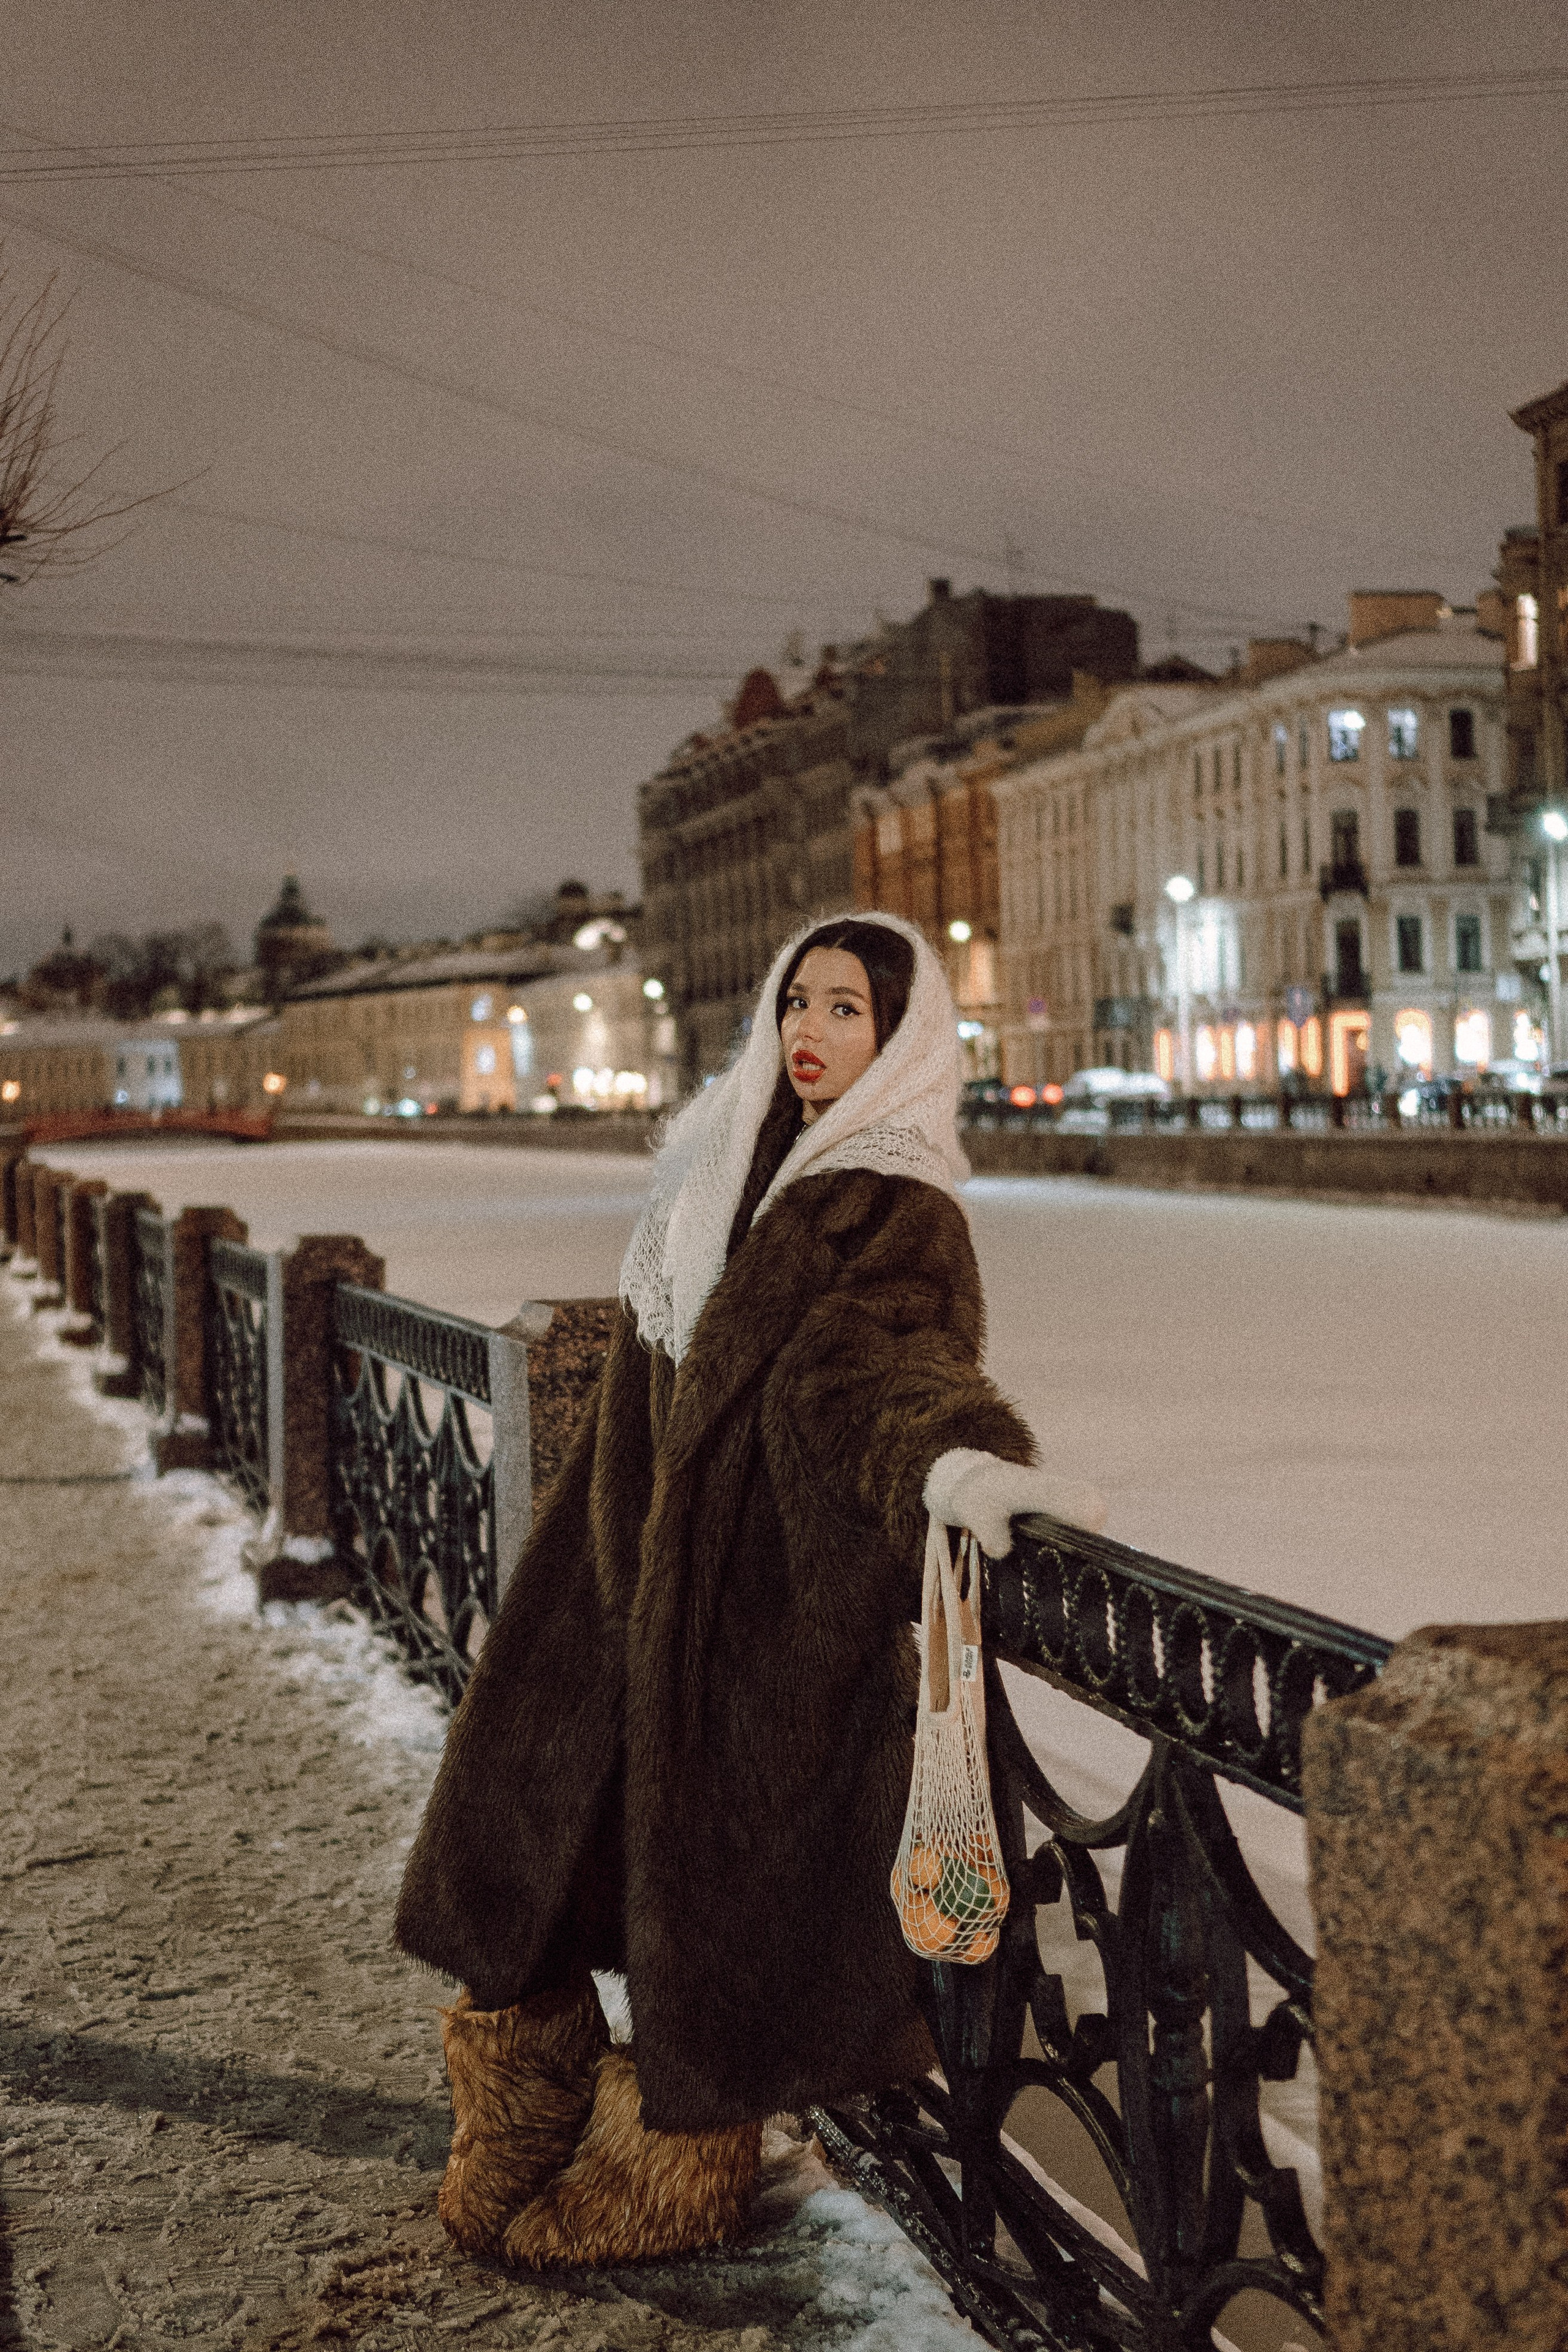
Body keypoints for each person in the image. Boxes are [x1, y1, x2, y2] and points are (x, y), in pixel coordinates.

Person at [394, 911, 1104, 2267]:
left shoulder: (898, 1205)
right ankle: (522, 2113)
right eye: (800, 1001)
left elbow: (878, 1371)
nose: (811, 1033)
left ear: (900, 1041)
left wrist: (953, 1466)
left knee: (707, 1929)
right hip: (606, 1583)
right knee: (531, 1883)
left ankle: (671, 2172)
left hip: (746, 1624)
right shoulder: (719, 1165)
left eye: (849, 1010)